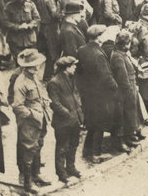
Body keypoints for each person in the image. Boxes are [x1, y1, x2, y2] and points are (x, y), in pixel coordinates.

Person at [12, 49, 51, 196]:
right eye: (34, 66)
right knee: (28, 149)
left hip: (41, 118)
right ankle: (28, 183)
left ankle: (37, 174)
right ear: (27, 67)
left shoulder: (34, 77)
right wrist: (33, 115)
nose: (37, 68)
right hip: (29, 122)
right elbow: (17, 106)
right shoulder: (21, 82)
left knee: (38, 145)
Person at [76, 25, 117, 165]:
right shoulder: (98, 54)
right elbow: (106, 76)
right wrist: (114, 87)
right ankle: (96, 154)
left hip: (87, 94)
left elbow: (79, 73)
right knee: (99, 124)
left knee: (91, 122)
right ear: (99, 37)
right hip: (100, 95)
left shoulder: (82, 50)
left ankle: (86, 150)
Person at [47, 56, 85, 183]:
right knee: (62, 148)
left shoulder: (71, 78)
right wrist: (68, 114)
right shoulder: (54, 82)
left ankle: (71, 168)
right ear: (66, 68)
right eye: (73, 66)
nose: (75, 68)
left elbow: (76, 95)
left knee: (73, 145)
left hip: (75, 119)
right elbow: (55, 104)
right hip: (63, 121)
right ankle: (61, 173)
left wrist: (79, 111)